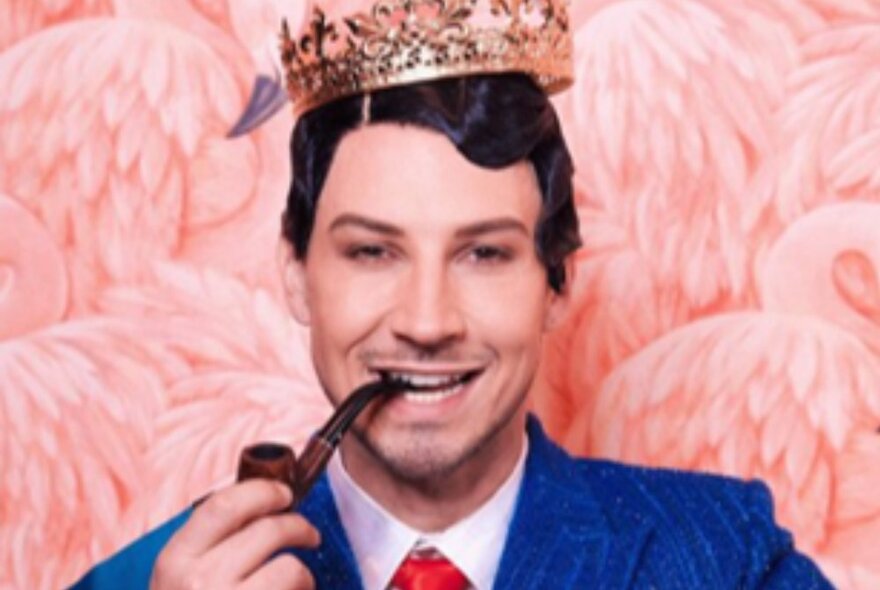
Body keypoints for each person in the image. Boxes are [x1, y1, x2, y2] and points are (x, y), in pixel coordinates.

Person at [72, 1, 833, 588]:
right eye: (373, 252)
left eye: (484, 254)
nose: (426, 322)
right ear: (296, 273)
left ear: (556, 281)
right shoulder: (149, 579)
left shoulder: (727, 559)